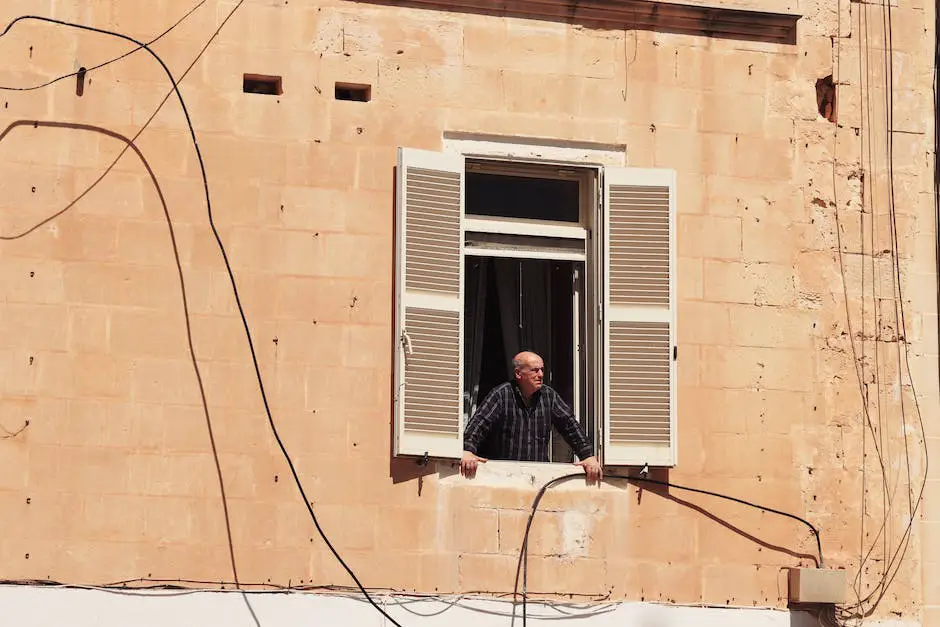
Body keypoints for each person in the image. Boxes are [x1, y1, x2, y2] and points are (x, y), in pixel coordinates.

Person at [461, 351, 603, 483]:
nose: (541, 374)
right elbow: (480, 422)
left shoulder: (549, 396)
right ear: (518, 373)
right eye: (535, 370)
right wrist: (468, 450)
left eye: (542, 369)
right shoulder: (501, 395)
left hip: (539, 477)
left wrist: (587, 456)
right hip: (505, 476)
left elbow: (570, 425)